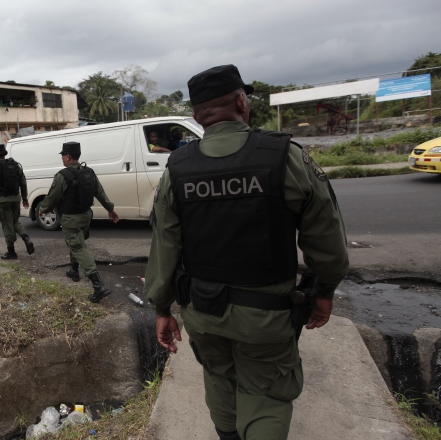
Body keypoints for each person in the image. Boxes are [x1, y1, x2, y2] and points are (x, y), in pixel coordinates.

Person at [144, 64, 349, 440]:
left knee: (220, 378)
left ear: (195, 115)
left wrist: (161, 308)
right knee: (266, 393)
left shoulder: (178, 168)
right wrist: (325, 291)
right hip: (267, 316)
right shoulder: (284, 156)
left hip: (203, 312)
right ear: (242, 101)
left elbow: (164, 246)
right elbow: (327, 239)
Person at [39, 141, 120, 303]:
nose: (62, 158)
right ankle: (74, 270)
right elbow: (100, 193)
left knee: (78, 247)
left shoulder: (63, 175)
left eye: (63, 155)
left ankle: (98, 285)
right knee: (75, 243)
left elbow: (53, 197)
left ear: (68, 156)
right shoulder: (89, 172)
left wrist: (43, 209)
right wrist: (110, 209)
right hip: (85, 216)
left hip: (71, 218)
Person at [0, 143, 35, 259]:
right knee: (15, 221)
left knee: (7, 224)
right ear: (4, 154)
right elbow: (23, 182)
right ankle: (26, 238)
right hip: (16, 198)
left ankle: (11, 251)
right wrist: (25, 198)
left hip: (2, 200)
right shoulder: (16, 165)